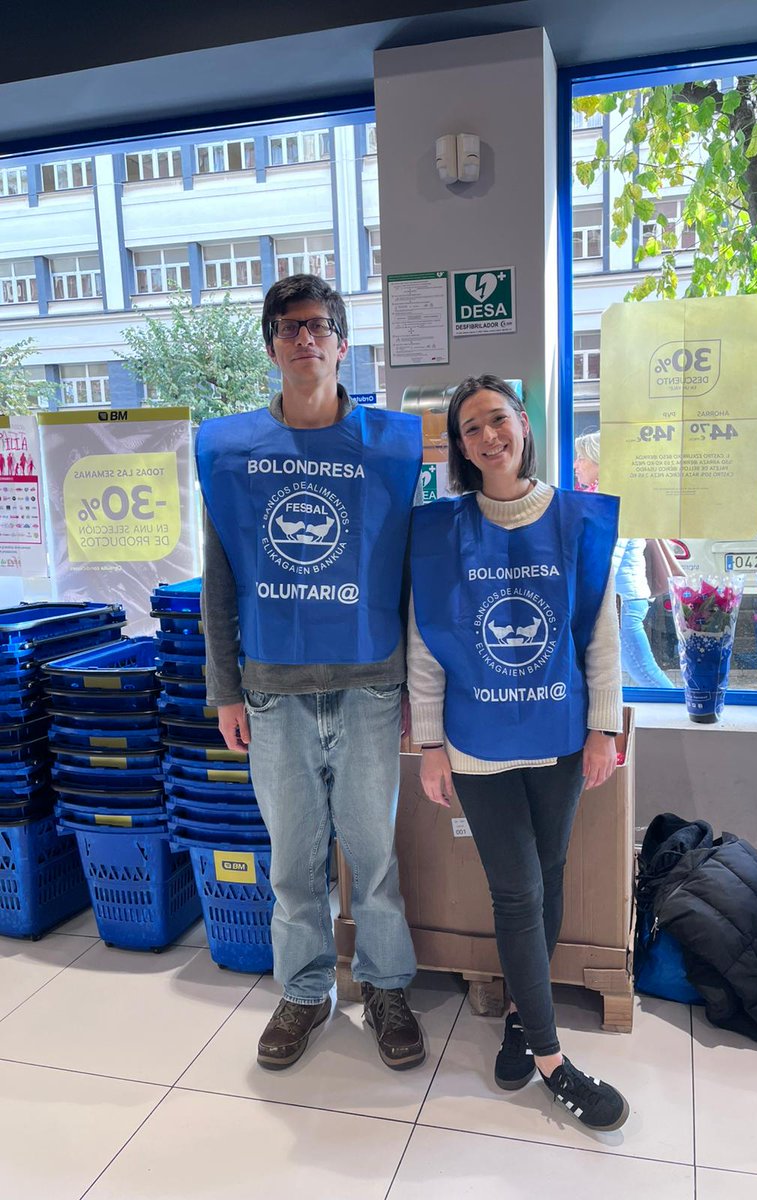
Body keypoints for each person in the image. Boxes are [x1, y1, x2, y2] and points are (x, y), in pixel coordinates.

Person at [196, 274, 425, 1073]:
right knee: (292, 861)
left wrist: (413, 694)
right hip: (272, 693)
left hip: (369, 686)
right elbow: (218, 579)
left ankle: (387, 985)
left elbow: (408, 577)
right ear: (271, 345)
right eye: (289, 327)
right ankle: (303, 990)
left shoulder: (392, 448)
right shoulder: (230, 454)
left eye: (318, 325)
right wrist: (225, 688)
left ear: (342, 344)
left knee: (374, 854)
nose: (304, 339)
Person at [407, 375, 630, 1132]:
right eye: (471, 428)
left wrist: (604, 728)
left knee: (549, 875)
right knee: (516, 891)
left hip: (560, 736)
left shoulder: (577, 522)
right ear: (461, 447)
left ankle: (519, 1018)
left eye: (497, 419)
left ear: (523, 423)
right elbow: (425, 649)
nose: (488, 436)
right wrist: (430, 745)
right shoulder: (440, 533)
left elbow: (598, 632)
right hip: (476, 743)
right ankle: (551, 1059)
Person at [575, 432, 676, 689]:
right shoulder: (610, 498)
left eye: (581, 458)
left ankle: (679, 712)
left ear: (599, 462)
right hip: (625, 597)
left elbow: (609, 557)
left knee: (643, 670)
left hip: (622, 601)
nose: (576, 465)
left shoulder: (613, 501)